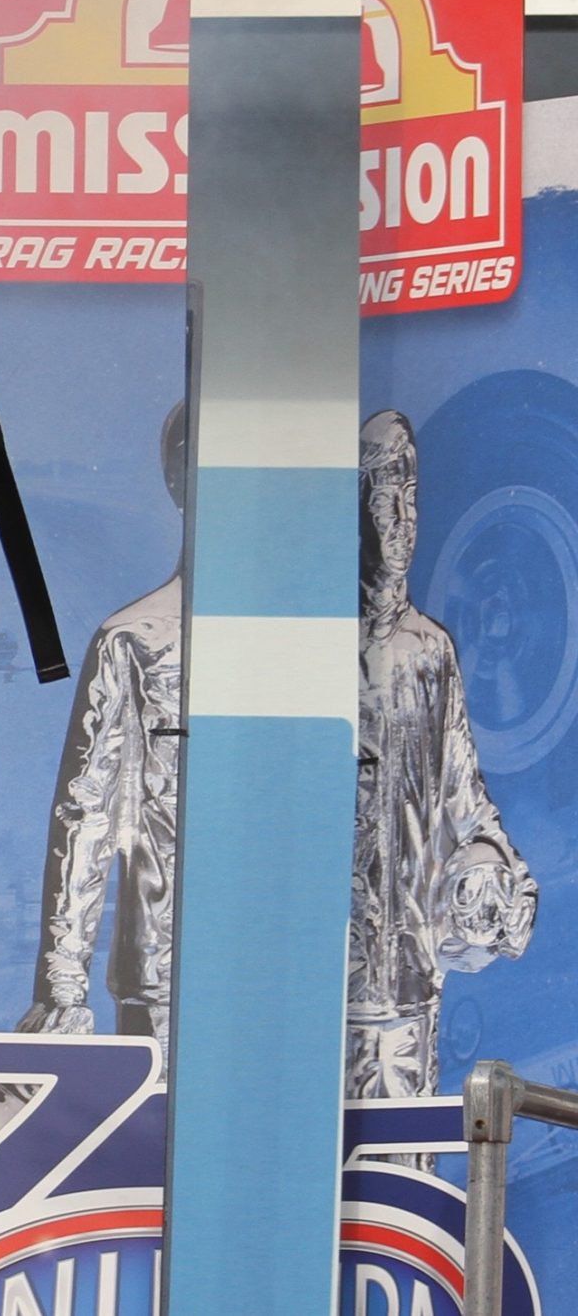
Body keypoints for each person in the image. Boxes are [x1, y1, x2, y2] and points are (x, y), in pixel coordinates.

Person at [350, 409, 536, 1106]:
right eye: (382, 496)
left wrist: (493, 866)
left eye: (410, 496)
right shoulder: (301, 648)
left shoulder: (431, 652)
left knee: (403, 1170)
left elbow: (466, 802)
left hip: (408, 998)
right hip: (299, 995)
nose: (401, 519)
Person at [18, 401, 187, 1045]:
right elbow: (86, 813)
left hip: (292, 967)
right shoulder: (135, 640)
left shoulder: (315, 648)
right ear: (176, 480)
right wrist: (63, 989)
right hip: (164, 980)